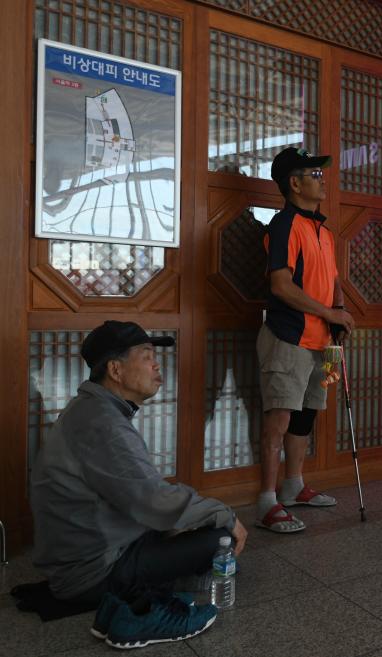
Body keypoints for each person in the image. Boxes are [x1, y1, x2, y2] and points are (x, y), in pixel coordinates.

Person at [30, 320, 247, 648]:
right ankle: (155, 599)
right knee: (219, 539)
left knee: (193, 526)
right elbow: (152, 500)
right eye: (146, 356)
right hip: (93, 573)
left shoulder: (93, 410)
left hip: (93, 554)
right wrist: (226, 515)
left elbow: (141, 494)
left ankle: (178, 579)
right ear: (115, 370)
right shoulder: (103, 423)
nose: (156, 364)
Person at [256, 146, 355, 533]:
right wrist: (329, 312)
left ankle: (294, 485)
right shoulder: (283, 225)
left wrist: (340, 312)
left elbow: (332, 280)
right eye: (314, 174)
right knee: (278, 419)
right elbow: (281, 285)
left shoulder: (324, 231)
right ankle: (267, 500)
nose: (322, 179)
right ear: (294, 183)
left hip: (321, 343)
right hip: (288, 338)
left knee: (304, 415)